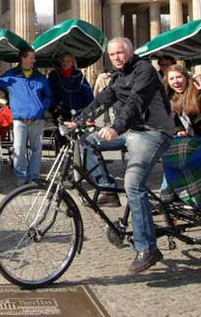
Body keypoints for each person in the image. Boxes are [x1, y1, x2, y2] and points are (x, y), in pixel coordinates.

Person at [68, 37, 174, 274]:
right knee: (87, 141)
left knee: (133, 185)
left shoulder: (144, 70)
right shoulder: (118, 76)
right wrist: (77, 121)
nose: (116, 57)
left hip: (154, 132)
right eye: (112, 54)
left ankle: (147, 248)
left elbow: (136, 102)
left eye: (120, 53)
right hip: (131, 132)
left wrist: (116, 126)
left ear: (130, 51)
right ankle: (106, 189)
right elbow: (103, 99)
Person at [0, 48, 52, 186]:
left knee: (37, 150)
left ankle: (34, 177)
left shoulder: (39, 76)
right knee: (19, 149)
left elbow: (48, 94)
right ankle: (21, 177)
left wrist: (43, 107)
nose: (34, 60)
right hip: (20, 119)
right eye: (31, 57)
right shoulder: (11, 76)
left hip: (37, 119)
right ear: (22, 58)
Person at [47, 53, 93, 121]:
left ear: (72, 62)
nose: (65, 63)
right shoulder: (54, 74)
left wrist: (91, 107)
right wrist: (50, 108)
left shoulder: (78, 74)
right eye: (63, 61)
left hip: (78, 111)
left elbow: (87, 90)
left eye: (68, 61)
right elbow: (50, 92)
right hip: (60, 112)